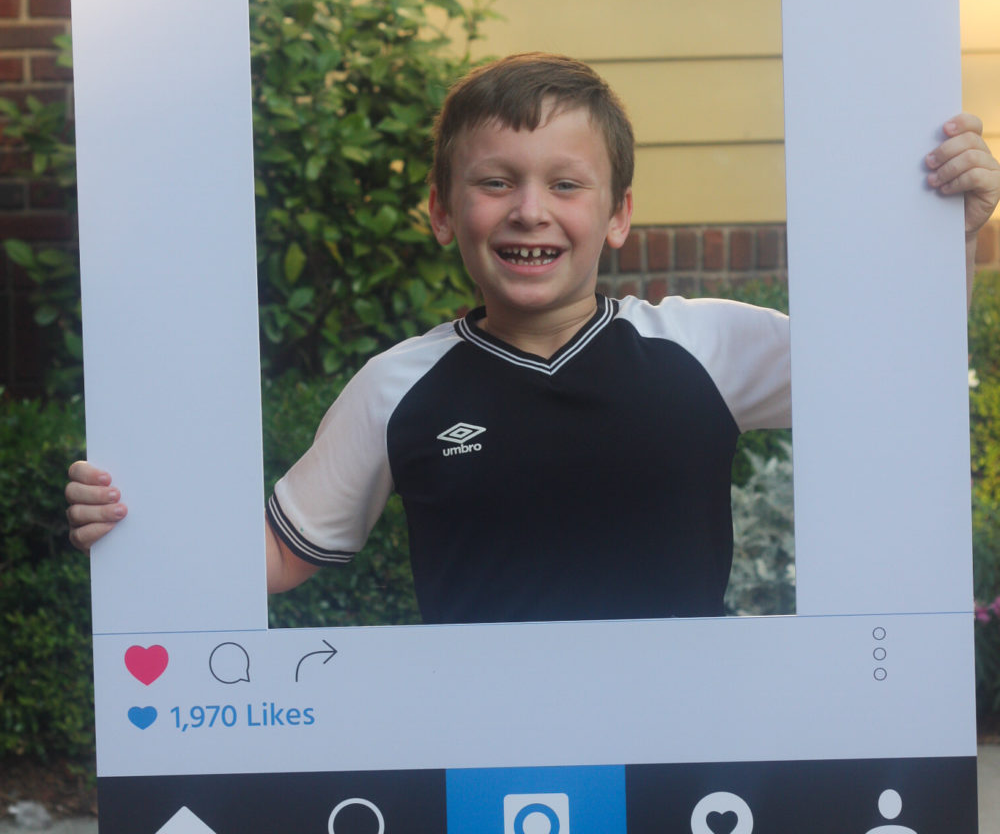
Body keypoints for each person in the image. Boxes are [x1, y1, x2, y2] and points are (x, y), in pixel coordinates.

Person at [65, 54, 1000, 624]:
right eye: (494, 182)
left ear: (619, 215)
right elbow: (277, 557)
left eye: (565, 184)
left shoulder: (705, 348)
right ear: (442, 212)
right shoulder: (395, 388)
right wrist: (136, 529)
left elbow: (891, 370)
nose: (529, 210)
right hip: (483, 760)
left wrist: (951, 237)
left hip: (691, 744)